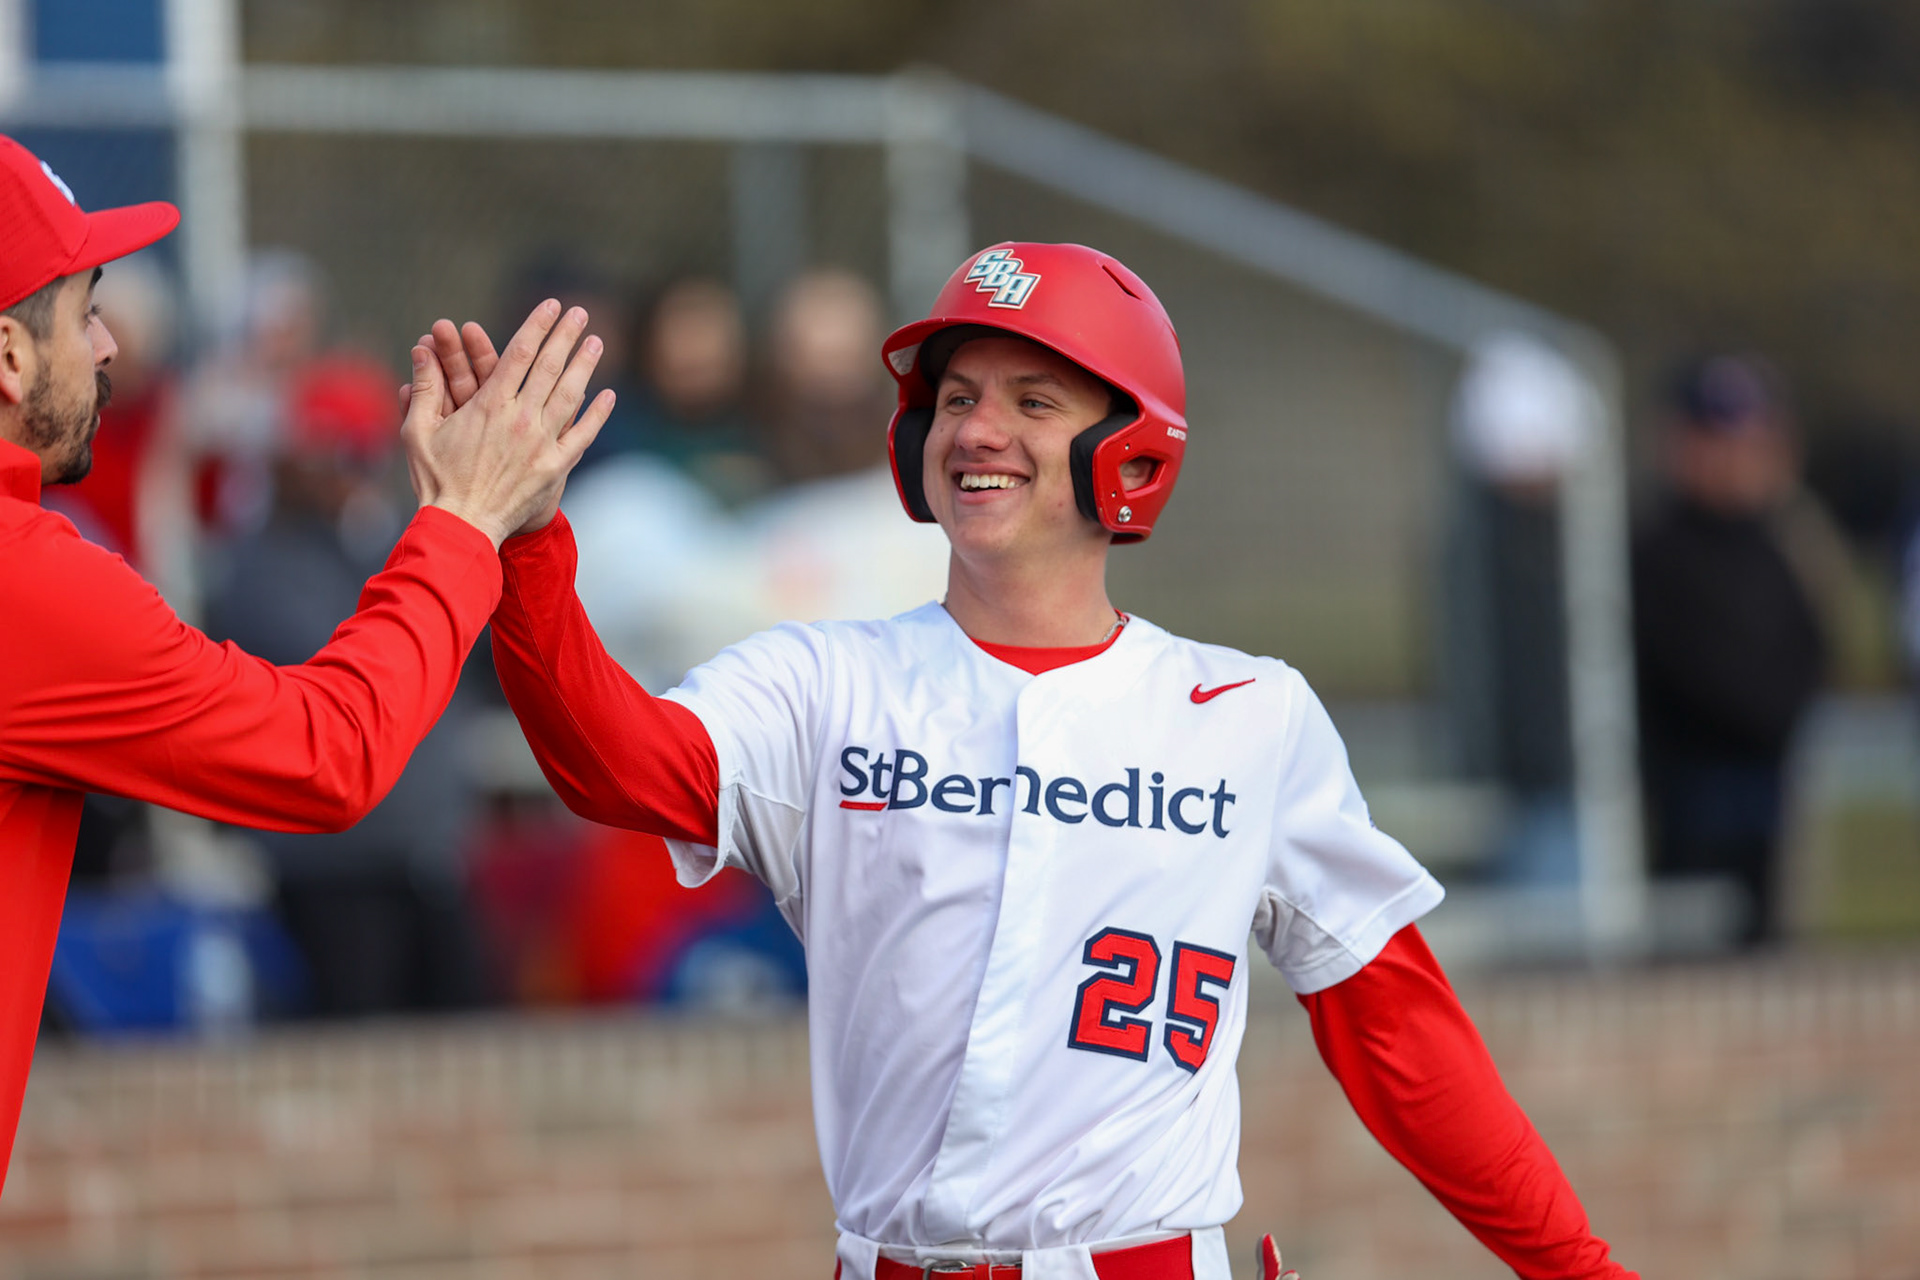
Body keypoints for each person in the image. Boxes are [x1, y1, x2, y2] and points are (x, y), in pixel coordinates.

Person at [444, 242, 1634, 1278]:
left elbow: (1399, 1031)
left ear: (1130, 448)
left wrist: (1578, 1266)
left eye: (1033, 399)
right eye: (957, 394)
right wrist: (530, 537)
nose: (978, 429)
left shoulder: (1248, 713)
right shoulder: (822, 680)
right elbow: (609, 761)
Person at [0, 132, 615, 1186]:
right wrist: (464, 519)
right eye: (84, 306)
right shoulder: (27, 576)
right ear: (9, 357)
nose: (106, 345)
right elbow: (323, 753)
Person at [208, 354, 490, 1018]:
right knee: (352, 1042)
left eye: (364, 458)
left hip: (426, 854)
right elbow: (348, 662)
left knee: (477, 1031)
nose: (351, 477)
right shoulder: (260, 566)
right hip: (327, 868)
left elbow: (466, 645)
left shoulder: (386, 538)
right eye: (336, 457)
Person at [1633, 355, 1826, 948]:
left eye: (1752, 438)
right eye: (1721, 440)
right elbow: (1688, 665)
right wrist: (1760, 706)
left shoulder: (1780, 538)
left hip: (1768, 787)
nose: (1739, 458)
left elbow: (1813, 643)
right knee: (1694, 955)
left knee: (1769, 947)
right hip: (1687, 798)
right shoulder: (1656, 546)